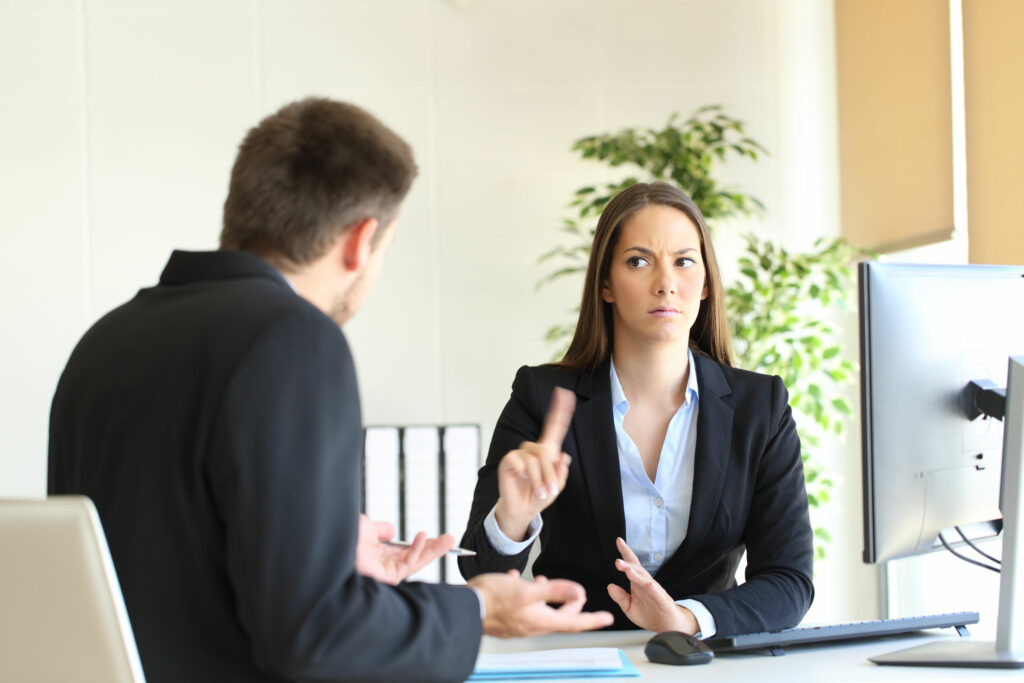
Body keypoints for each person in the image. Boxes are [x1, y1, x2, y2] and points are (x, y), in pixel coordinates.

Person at [48, 97, 612, 683]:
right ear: (360, 240)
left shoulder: (107, 340)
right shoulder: (293, 338)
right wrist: (479, 609)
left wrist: (325, 549)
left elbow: (166, 560)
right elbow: (318, 636)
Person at [459, 181, 814, 637]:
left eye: (684, 262)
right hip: (577, 661)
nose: (665, 283)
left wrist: (686, 619)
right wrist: (513, 516)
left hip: (703, 664)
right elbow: (479, 574)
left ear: (705, 284)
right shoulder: (542, 397)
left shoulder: (760, 408)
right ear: (605, 284)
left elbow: (789, 581)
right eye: (638, 261)